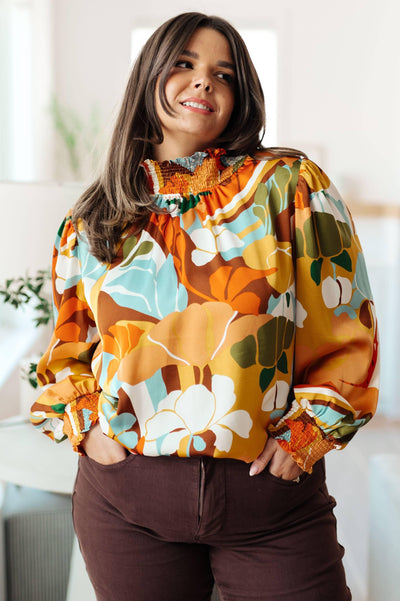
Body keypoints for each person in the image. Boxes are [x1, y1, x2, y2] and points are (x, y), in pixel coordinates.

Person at [31, 12, 379, 601]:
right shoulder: (93, 217)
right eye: (184, 65)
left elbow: (347, 328)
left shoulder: (290, 185)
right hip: (125, 504)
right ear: (149, 79)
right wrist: (90, 433)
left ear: (240, 96)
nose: (203, 82)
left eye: (223, 73)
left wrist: (304, 440)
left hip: (271, 506)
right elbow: (69, 350)